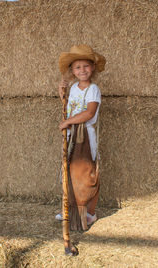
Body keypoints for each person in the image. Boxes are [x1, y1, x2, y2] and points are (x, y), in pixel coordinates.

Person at [56, 44, 106, 226]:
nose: (82, 70)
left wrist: (68, 122)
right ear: (72, 70)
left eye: (86, 66)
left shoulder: (93, 89)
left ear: (92, 67)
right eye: (77, 67)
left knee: (85, 173)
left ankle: (90, 212)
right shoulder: (74, 88)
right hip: (72, 136)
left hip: (85, 136)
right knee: (68, 172)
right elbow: (72, 108)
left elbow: (89, 113)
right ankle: (68, 208)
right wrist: (63, 95)